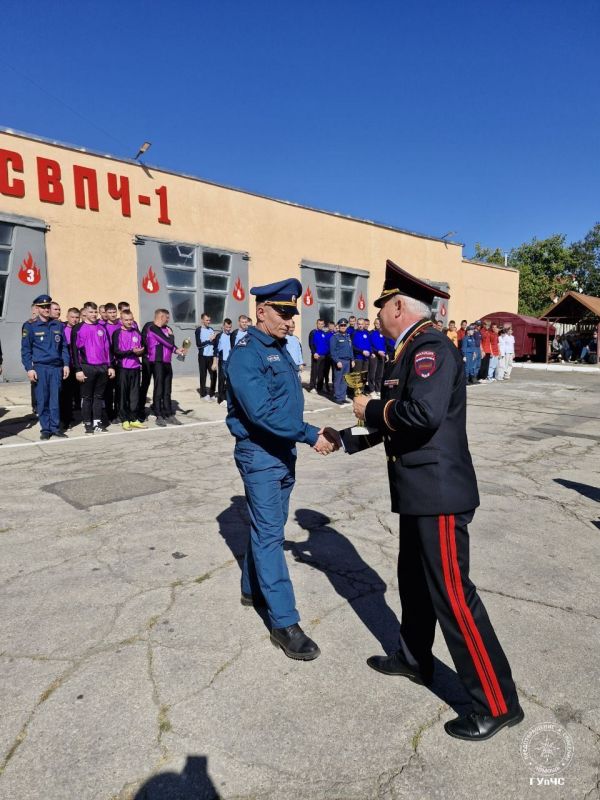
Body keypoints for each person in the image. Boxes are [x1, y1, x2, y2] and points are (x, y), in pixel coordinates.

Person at [339, 259, 523, 741]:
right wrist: (344, 436)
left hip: (438, 494)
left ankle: (497, 703)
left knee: (454, 597)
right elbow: (395, 421)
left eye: (381, 306)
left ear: (398, 305)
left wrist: (371, 407)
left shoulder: (431, 348)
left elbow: (420, 414)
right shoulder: (408, 350)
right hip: (418, 492)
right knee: (415, 583)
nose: (376, 313)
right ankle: (416, 658)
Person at [226, 278, 338, 661]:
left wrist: (305, 435)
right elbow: (260, 412)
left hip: (282, 451)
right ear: (261, 311)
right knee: (271, 534)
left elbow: (285, 405)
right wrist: (309, 434)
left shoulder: (280, 349)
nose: (291, 321)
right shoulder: (246, 355)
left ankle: (250, 588)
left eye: (293, 313)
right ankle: (284, 622)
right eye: (284, 312)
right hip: (260, 455)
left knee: (265, 527)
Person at [21, 294, 70, 440]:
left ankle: (55, 427)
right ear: (37, 308)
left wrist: (66, 364)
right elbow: (26, 350)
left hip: (56, 368)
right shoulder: (30, 326)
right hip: (40, 367)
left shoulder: (57, 325)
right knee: (43, 399)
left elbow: (64, 347)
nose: (47, 309)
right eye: (43, 307)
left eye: (48, 306)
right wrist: (29, 368)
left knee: (55, 399)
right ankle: (46, 429)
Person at [72, 301, 115, 434]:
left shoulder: (102, 328)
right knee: (87, 397)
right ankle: (87, 423)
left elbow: (108, 348)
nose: (94, 314)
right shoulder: (78, 328)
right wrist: (78, 369)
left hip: (102, 367)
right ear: (84, 313)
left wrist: (110, 366)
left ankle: (97, 422)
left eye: (95, 312)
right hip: (87, 367)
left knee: (98, 396)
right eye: (91, 312)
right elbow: (74, 351)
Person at [146, 308, 184, 426]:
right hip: (157, 362)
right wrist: (171, 337)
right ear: (161, 317)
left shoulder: (167, 329)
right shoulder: (152, 328)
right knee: (159, 389)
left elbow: (170, 346)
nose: (168, 320)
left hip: (167, 362)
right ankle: (158, 414)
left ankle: (168, 414)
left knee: (167, 389)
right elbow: (167, 342)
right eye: (167, 317)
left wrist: (177, 350)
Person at [112, 310, 147, 430]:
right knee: (122, 395)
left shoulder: (137, 332)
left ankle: (134, 418)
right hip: (122, 368)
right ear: (121, 320)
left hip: (135, 368)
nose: (129, 322)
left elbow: (143, 348)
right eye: (126, 320)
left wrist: (141, 351)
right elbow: (116, 351)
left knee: (134, 395)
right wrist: (131, 351)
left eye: (131, 319)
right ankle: (124, 419)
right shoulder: (117, 333)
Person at [60, 307, 81, 429]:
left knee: (77, 392)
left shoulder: (80, 329)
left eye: (77, 317)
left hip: (78, 365)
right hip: (67, 366)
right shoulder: (63, 330)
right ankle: (65, 418)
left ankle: (73, 414)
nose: (74, 319)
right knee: (66, 394)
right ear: (67, 317)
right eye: (72, 317)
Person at [329, 318, 353, 404]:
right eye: (341, 325)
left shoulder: (348, 336)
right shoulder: (334, 337)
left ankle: (343, 396)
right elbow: (333, 351)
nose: (343, 327)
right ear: (338, 326)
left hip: (347, 361)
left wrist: (352, 359)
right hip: (340, 362)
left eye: (344, 325)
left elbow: (350, 349)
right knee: (338, 380)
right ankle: (337, 397)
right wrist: (337, 361)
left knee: (345, 380)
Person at [195, 312, 217, 400]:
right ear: (202, 320)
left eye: (209, 320)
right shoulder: (198, 330)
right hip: (202, 356)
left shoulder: (211, 329)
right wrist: (209, 340)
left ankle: (211, 394)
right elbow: (198, 344)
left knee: (214, 375)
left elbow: (214, 343)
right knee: (203, 375)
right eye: (207, 320)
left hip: (211, 356)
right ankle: (203, 394)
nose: (209, 321)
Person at [212, 318, 233, 403]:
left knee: (229, 381)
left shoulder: (232, 336)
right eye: (227, 327)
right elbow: (215, 350)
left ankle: (228, 397)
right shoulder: (219, 336)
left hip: (230, 362)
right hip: (222, 361)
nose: (228, 329)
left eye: (230, 327)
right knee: (221, 380)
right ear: (223, 326)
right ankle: (220, 399)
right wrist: (214, 362)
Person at [307, 319, 329, 393]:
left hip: (324, 356)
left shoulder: (324, 333)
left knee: (321, 372)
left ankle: (320, 387)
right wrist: (314, 353)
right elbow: (311, 344)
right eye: (319, 323)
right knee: (314, 372)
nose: (320, 325)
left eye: (322, 324)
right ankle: (312, 387)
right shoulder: (313, 332)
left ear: (323, 325)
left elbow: (326, 344)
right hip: (317, 355)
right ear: (316, 324)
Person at [368, 318, 386, 397]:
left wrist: (385, 353)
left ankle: (378, 389)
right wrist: (375, 352)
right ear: (374, 324)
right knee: (372, 374)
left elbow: (384, 344)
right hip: (374, 355)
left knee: (380, 374)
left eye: (379, 323)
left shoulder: (383, 333)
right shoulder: (371, 333)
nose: (377, 325)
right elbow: (369, 345)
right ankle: (371, 390)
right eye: (376, 323)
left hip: (381, 356)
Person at [351, 318, 372, 388]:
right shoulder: (354, 333)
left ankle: (361, 392)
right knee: (357, 377)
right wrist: (362, 351)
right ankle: (356, 394)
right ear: (357, 324)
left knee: (363, 377)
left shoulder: (367, 333)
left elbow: (370, 345)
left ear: (364, 324)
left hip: (366, 359)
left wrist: (370, 353)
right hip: (358, 358)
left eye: (362, 324)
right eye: (359, 324)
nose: (360, 325)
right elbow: (352, 347)